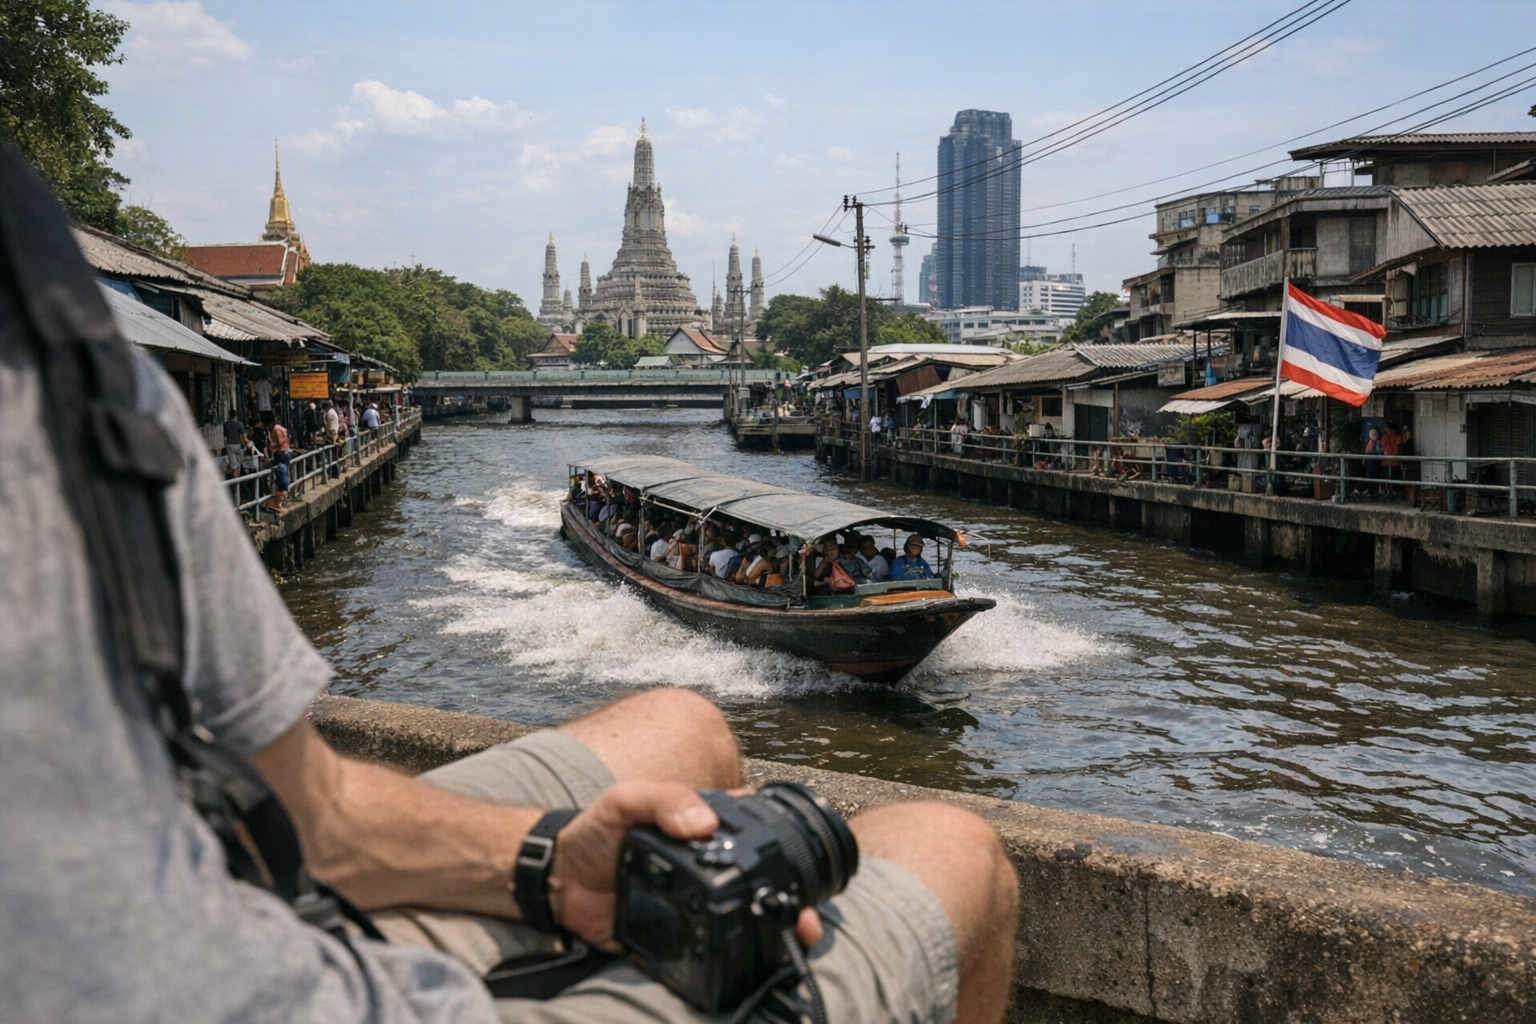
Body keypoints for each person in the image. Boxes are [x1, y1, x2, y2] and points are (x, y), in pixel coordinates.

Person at [2, 145, 1021, 1024]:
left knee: (684, 723)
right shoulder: (55, 324)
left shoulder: (52, 310)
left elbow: (306, 809)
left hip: (233, 871)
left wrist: (544, 860)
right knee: (953, 843)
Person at [266, 418, 292, 515]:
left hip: (282, 452)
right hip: (284, 452)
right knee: (283, 477)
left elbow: (282, 440)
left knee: (283, 479)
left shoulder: (276, 429)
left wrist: (273, 446)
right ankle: (277, 503)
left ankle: (277, 502)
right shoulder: (279, 428)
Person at [222, 407, 247, 480]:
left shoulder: (225, 424)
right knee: (239, 460)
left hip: (229, 443)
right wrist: (245, 444)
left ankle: (234, 476)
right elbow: (243, 435)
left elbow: (225, 435)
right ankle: (237, 476)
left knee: (232, 461)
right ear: (236, 415)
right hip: (237, 443)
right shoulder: (239, 424)